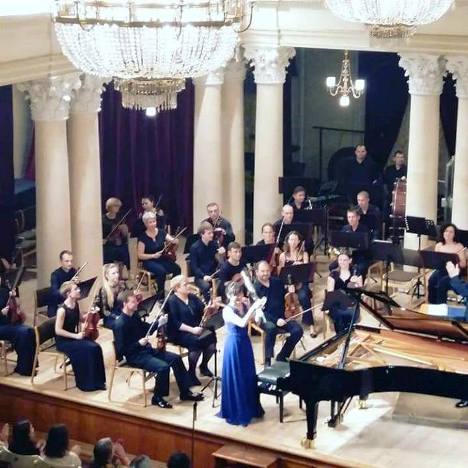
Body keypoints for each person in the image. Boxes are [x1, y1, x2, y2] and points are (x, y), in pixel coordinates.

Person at [113, 291, 204, 408]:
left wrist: (158, 323)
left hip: (146, 351)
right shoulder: (119, 324)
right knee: (163, 367)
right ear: (125, 304)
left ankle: (185, 392)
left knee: (176, 358)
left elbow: (146, 330)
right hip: (135, 356)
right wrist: (138, 343)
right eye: (133, 302)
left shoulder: (134, 316)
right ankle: (157, 397)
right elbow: (121, 351)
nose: (137, 303)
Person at [218, 281, 265, 426]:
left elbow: (256, 321)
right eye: (234, 295)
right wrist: (253, 307)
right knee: (237, 376)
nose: (238, 297)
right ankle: (238, 411)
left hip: (245, 342)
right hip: (234, 344)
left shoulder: (244, 305)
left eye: (239, 294)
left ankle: (251, 408)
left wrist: (258, 311)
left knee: (248, 375)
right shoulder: (227, 311)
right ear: (228, 295)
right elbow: (242, 323)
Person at [166, 275, 217, 386]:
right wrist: (192, 330)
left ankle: (203, 365)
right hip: (180, 332)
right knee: (195, 341)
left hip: (195, 327)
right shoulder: (172, 301)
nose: (188, 286)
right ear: (177, 288)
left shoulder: (192, 297)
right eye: (185, 284)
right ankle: (191, 373)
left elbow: (202, 310)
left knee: (211, 337)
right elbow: (175, 323)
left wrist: (209, 310)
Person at [55, 282, 106, 392]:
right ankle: (86, 384)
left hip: (74, 338)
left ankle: (99, 382)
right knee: (89, 349)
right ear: (68, 293)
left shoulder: (75, 304)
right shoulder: (62, 310)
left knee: (96, 347)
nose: (79, 290)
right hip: (64, 341)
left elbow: (80, 319)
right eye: (76, 289)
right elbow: (58, 330)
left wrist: (90, 314)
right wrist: (75, 336)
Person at [254, 261, 303, 366]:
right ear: (257, 272)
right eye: (262, 271)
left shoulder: (276, 282)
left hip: (283, 315)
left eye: (267, 271)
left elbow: (285, 296)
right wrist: (276, 320)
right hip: (265, 318)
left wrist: (290, 293)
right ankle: (268, 360)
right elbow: (260, 311)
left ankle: (282, 356)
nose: (265, 273)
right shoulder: (255, 289)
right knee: (271, 328)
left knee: (298, 330)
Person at [277, 231, 315, 337]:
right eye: (291, 239)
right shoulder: (283, 256)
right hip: (287, 284)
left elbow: (307, 273)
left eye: (295, 240)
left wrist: (301, 266)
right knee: (278, 297)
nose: (293, 242)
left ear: (299, 241)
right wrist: (288, 285)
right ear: (287, 241)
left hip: (301, 283)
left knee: (303, 296)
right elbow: (281, 274)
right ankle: (282, 324)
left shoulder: (304, 255)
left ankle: (310, 324)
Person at [137, 211, 181, 300]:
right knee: (161, 272)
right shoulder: (142, 237)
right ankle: (160, 295)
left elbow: (171, 239)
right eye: (150, 222)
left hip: (161, 258)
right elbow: (140, 255)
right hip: (149, 260)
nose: (153, 224)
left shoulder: (161, 232)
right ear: (145, 224)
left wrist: (175, 241)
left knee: (177, 269)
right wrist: (153, 255)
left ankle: (174, 290)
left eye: (154, 221)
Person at [0, 273, 36, 376]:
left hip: (8, 323)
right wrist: (1, 313)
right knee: (23, 333)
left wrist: (14, 297)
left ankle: (29, 366)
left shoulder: (3, 290)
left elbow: (15, 307)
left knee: (30, 331)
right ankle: (25, 368)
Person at [93, 263, 139, 330]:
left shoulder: (122, 285)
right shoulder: (104, 290)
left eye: (117, 272)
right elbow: (105, 311)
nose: (117, 275)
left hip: (122, 313)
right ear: (107, 276)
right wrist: (116, 317)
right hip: (110, 318)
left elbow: (127, 301)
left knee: (136, 318)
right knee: (125, 324)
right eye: (113, 273)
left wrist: (134, 295)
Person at [428, 224, 466, 304]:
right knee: (431, 280)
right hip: (441, 270)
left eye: (451, 232)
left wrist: (455, 262)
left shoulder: (459, 246)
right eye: (446, 231)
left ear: (454, 234)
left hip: (453, 272)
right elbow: (435, 261)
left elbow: (463, 264)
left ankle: (441, 305)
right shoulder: (439, 245)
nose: (448, 233)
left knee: (441, 283)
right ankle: (432, 304)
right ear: (443, 233)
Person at [327, 252, 362, 334]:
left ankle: (347, 334)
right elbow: (330, 294)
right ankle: (341, 335)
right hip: (337, 303)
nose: (342, 262)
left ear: (350, 260)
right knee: (340, 315)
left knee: (351, 313)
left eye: (345, 260)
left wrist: (356, 283)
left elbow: (360, 290)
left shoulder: (356, 272)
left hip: (352, 302)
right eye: (340, 260)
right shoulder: (333, 274)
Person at [189, 222, 225, 302]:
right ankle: (208, 306)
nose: (212, 235)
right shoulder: (194, 247)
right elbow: (194, 267)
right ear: (202, 234)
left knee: (223, 283)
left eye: (212, 232)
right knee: (206, 286)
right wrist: (203, 276)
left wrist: (222, 254)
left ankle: (221, 305)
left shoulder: (214, 244)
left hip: (213, 273)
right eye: (209, 233)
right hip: (201, 276)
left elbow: (219, 261)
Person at [340, 208, 370, 277]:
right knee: (332, 266)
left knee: (360, 269)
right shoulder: (345, 228)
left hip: (361, 257)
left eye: (353, 217)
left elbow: (366, 248)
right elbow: (341, 243)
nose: (351, 219)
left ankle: (357, 282)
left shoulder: (364, 230)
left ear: (358, 217)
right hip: (347, 256)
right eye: (349, 217)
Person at [102, 197, 130, 271]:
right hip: (108, 245)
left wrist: (124, 229)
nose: (117, 208)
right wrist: (103, 240)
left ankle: (120, 275)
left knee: (124, 251)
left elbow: (125, 236)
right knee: (108, 256)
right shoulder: (103, 219)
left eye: (118, 206)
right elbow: (99, 234)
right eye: (115, 206)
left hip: (120, 244)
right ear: (109, 207)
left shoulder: (120, 218)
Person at [48, 250, 77, 317]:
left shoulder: (73, 271)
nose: (70, 264)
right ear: (61, 262)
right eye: (67, 261)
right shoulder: (55, 275)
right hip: (56, 306)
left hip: (68, 303)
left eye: (71, 261)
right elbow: (55, 294)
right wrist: (67, 285)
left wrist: (76, 285)